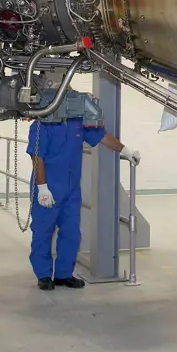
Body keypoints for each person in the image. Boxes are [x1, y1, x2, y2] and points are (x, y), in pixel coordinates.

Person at [27, 114, 140, 291]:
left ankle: (63, 275)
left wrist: (126, 150)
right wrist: (42, 187)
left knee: (71, 233)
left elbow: (101, 136)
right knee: (42, 233)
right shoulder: (41, 125)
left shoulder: (77, 122)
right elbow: (36, 157)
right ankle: (43, 275)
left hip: (71, 191)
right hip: (48, 188)